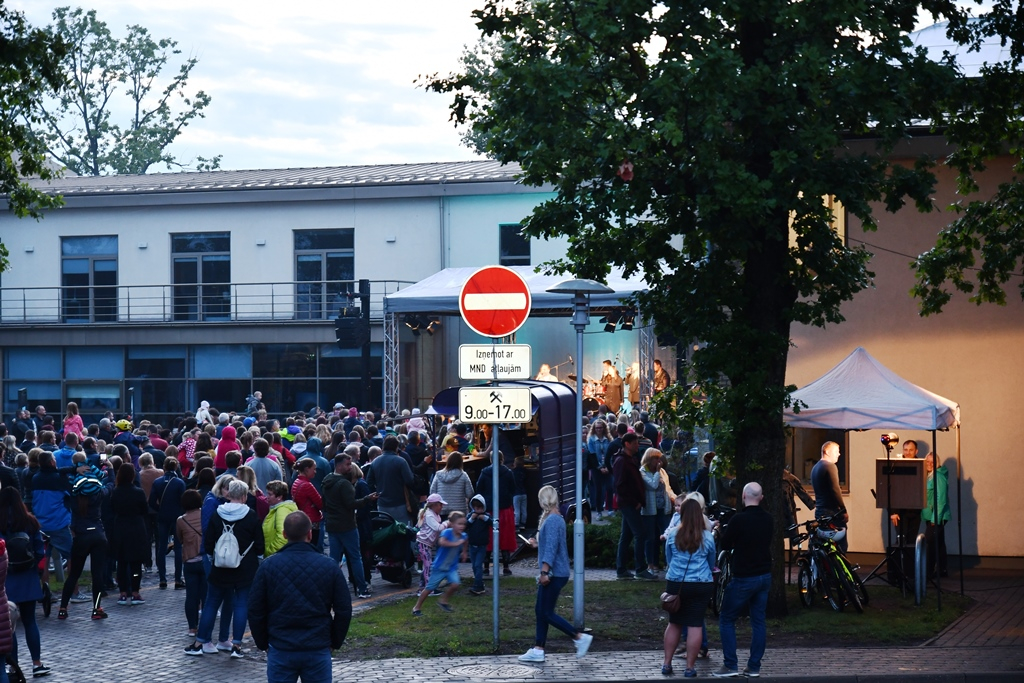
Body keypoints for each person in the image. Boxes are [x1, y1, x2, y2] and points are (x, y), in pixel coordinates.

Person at [248, 511, 351, 683]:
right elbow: (344, 609)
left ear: (284, 534)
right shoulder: (329, 566)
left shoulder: (268, 567)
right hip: (317, 646)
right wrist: (335, 641)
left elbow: (255, 609)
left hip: (281, 646)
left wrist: (263, 642)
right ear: (310, 534)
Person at [185, 479, 264, 658]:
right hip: (244, 566)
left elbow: (209, 540)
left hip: (220, 566)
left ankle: (200, 642)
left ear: (229, 494)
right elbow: (259, 543)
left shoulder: (217, 513)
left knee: (212, 603)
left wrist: (214, 559)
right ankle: (236, 645)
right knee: (241, 604)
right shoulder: (250, 515)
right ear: (244, 496)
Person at [517, 485, 593, 663]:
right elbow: (551, 544)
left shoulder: (551, 520)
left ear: (543, 500)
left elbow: (551, 550)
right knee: (541, 610)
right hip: (557, 571)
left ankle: (578, 637)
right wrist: (536, 544)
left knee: (545, 612)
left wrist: (544, 572)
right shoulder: (555, 518)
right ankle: (538, 649)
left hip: (554, 573)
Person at [712, 482, 773, 678]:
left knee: (727, 618)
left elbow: (726, 543)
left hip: (744, 576)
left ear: (744, 496)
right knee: (758, 621)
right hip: (764, 575)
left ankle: (730, 665)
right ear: (761, 497)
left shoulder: (739, 520)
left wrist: (722, 531)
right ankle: (754, 666)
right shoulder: (769, 519)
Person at [661, 498, 716, 677]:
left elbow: (668, 559)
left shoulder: (672, 535)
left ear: (681, 513)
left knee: (674, 623)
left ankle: (667, 664)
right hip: (700, 584)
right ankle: (690, 668)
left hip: (676, 583)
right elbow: (711, 562)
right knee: (695, 624)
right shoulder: (707, 536)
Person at [0, 487, 51, 678]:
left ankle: (13, 666)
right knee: (30, 622)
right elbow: (40, 549)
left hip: (5, 578)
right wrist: (33, 566)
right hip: (27, 576)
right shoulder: (29, 520)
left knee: (8, 626)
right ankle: (37, 663)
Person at [57, 465, 109, 620]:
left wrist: (75, 469)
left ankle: (63, 608)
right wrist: (110, 468)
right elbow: (111, 482)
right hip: (98, 534)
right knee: (97, 574)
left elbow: (60, 472)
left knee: (74, 574)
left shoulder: (74, 495)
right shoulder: (99, 494)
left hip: (80, 535)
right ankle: (97, 608)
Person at [322, 453, 377, 599]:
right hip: (347, 525)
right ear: (339, 465)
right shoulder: (344, 484)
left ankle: (331, 589)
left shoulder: (327, 480)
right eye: (348, 464)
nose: (350, 466)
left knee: (334, 558)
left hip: (332, 525)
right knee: (355, 557)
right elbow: (351, 504)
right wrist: (367, 499)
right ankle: (362, 588)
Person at [410, 511, 467, 617]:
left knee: (455, 584)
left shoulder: (463, 535)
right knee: (429, 588)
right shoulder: (447, 533)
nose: (462, 526)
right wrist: (456, 543)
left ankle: (443, 601)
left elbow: (465, 541)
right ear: (452, 524)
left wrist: (464, 552)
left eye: (464, 524)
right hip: (439, 567)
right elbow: (442, 542)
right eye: (459, 524)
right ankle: (416, 607)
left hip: (451, 567)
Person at [109, 463, 150, 606]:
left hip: (120, 527)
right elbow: (145, 510)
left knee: (121, 562)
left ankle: (122, 592)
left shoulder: (115, 491)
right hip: (136, 528)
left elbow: (112, 508)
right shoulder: (138, 492)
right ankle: (135, 592)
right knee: (135, 564)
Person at [614, 433, 653, 580]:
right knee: (640, 534)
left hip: (630, 503)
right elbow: (620, 485)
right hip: (628, 504)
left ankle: (622, 569)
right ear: (627, 444)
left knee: (627, 535)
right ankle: (640, 568)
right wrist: (634, 501)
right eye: (635, 443)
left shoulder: (629, 460)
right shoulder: (622, 462)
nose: (638, 445)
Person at [150, 456, 186, 589]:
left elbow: (152, 501)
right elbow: (183, 501)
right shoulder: (179, 483)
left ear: (164, 467)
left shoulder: (157, 482)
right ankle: (178, 579)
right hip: (176, 516)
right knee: (178, 547)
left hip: (163, 516)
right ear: (176, 467)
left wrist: (160, 509)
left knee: (161, 547)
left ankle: (162, 578)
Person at [176, 489, 206, 639]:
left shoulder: (181, 520)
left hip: (189, 560)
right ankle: (206, 626)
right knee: (206, 595)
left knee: (191, 596)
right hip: (205, 559)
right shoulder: (206, 514)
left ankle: (192, 628)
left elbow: (180, 539)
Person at [365, 436, 414, 526]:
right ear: (396, 447)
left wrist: (378, 491)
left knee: (386, 530)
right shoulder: (401, 461)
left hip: (382, 503)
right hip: (400, 503)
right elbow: (410, 481)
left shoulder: (375, 462)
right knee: (403, 530)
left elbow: (369, 482)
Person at [640, 448, 674, 576]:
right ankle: (651, 564)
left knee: (667, 536)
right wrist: (658, 471)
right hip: (650, 509)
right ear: (650, 459)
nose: (659, 462)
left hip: (662, 508)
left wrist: (673, 500)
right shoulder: (643, 471)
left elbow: (667, 487)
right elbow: (652, 485)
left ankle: (668, 562)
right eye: (656, 458)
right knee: (651, 538)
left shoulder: (662, 472)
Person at [811, 440, 848, 553]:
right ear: (827, 451)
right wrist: (843, 510)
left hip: (820, 512)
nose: (839, 454)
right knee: (840, 547)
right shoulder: (830, 466)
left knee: (823, 547)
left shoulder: (816, 468)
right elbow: (835, 490)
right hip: (832, 513)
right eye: (837, 451)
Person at [890, 439, 923, 552]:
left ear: (916, 451)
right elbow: (891, 490)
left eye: (911, 450)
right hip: (899, 512)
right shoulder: (895, 465)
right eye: (905, 450)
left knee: (912, 542)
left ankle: (910, 568)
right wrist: (893, 512)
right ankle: (898, 568)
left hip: (915, 510)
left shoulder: (921, 466)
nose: (908, 452)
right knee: (900, 540)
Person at [922, 452, 950, 578]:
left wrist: (935, 519)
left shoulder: (938, 476)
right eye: (927, 461)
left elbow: (941, 499)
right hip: (930, 515)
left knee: (929, 543)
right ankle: (942, 570)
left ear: (937, 463)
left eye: (932, 462)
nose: (929, 464)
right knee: (938, 543)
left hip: (937, 516)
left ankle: (927, 572)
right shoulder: (927, 476)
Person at [429, 452, 474, 519]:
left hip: (441, 509)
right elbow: (470, 493)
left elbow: (432, 492)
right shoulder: (463, 475)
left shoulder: (438, 475)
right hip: (459, 510)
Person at [415, 493, 445, 591]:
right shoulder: (429, 515)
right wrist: (447, 523)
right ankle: (429, 589)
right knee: (428, 565)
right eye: (440, 504)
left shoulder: (435, 515)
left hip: (427, 544)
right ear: (434, 505)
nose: (442, 507)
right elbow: (437, 528)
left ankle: (422, 587)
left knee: (427, 565)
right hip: (423, 543)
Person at [263, 480, 298, 558]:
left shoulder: (281, 511)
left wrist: (269, 552)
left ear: (279, 497)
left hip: (276, 557)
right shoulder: (277, 509)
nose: (266, 497)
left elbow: (283, 537)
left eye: (270, 494)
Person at [465, 494, 491, 596]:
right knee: (474, 566)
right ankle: (480, 584)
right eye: (476, 508)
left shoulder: (486, 516)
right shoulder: (470, 516)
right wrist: (471, 519)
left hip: (481, 546)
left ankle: (477, 586)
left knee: (478, 565)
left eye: (480, 508)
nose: (478, 510)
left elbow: (493, 523)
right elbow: (466, 526)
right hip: (472, 545)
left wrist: (484, 518)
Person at [587, 419, 612, 519]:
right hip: (596, 468)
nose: (599, 430)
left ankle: (610, 509)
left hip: (607, 466)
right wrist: (599, 467)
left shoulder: (608, 439)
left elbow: (610, 454)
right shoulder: (592, 440)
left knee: (610, 487)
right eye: (597, 428)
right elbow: (592, 455)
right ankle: (599, 511)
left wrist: (608, 467)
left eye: (600, 428)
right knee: (598, 489)